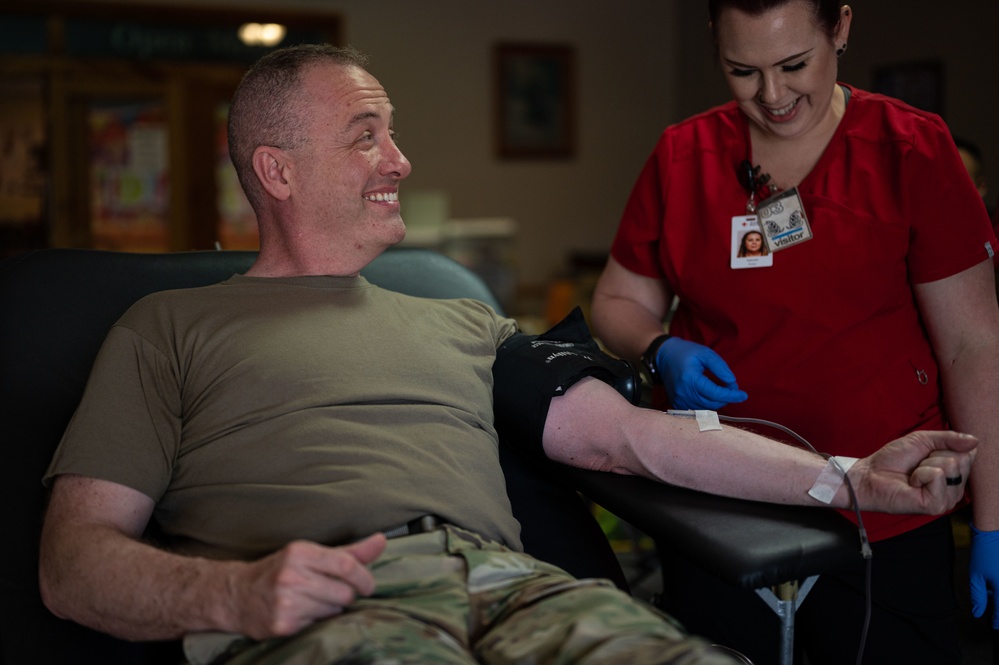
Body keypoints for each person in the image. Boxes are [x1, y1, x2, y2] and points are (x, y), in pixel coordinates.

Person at [37, 43, 976, 665]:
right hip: (333, 599)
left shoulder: (457, 318)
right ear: (277, 171)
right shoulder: (167, 328)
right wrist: (234, 592)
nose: (401, 160)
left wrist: (851, 479)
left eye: (394, 135)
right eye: (368, 137)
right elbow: (73, 563)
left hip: (516, 589)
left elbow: (632, 440)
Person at [590, 1, 999, 663]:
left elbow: (973, 343)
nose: (772, 96)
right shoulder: (682, 155)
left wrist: (993, 517)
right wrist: (658, 346)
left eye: (792, 64)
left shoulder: (910, 149)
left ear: (838, 27)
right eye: (741, 71)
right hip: (720, 500)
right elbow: (616, 297)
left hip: (883, 504)